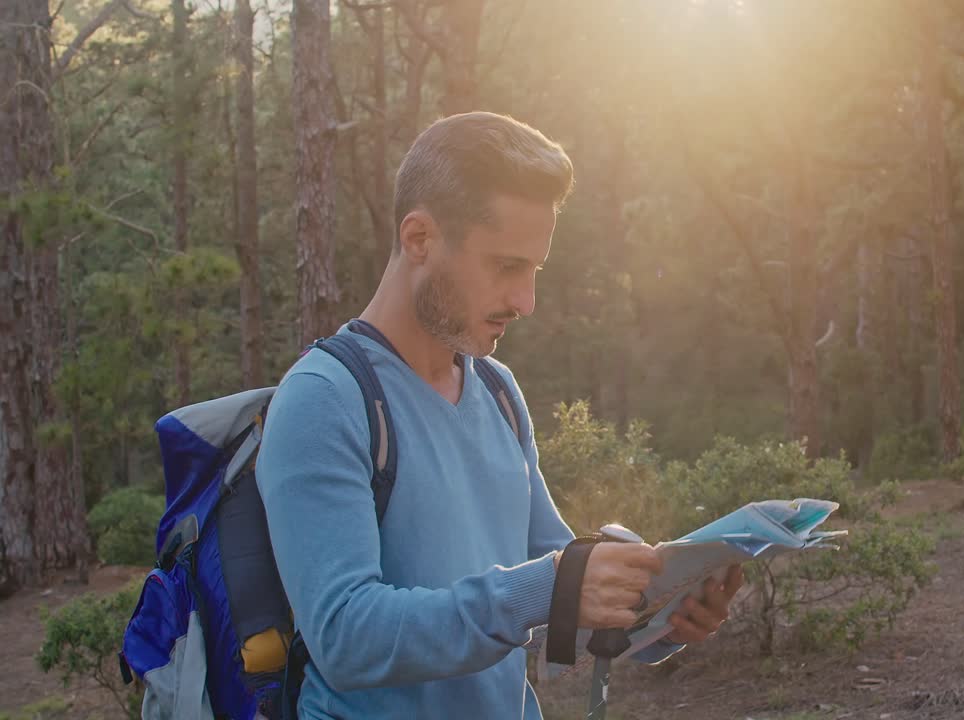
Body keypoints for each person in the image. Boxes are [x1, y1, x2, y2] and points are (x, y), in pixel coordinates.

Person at [256, 111, 744, 719]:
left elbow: (558, 596)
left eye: (534, 271)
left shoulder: (497, 391)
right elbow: (345, 638)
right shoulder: (324, 398)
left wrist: (664, 614)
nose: (526, 301)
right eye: (507, 267)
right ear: (419, 240)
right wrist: (550, 586)